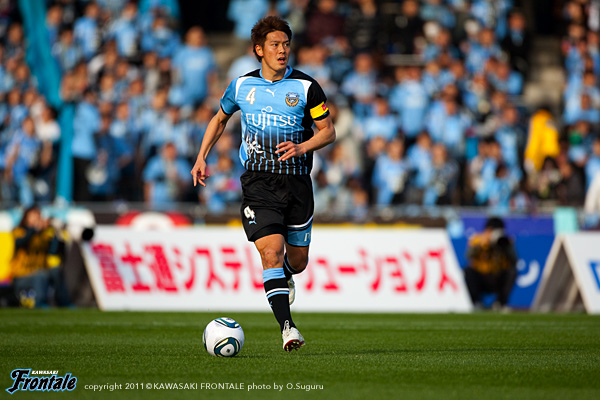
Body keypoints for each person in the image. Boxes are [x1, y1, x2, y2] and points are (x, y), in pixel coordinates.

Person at [191, 16, 336, 352]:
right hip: (258, 183)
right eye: (274, 45)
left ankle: (286, 275)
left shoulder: (307, 87)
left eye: (286, 44)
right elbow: (220, 118)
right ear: (259, 50)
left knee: (297, 262)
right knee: (271, 252)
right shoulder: (241, 86)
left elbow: (328, 131)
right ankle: (288, 328)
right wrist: (202, 156)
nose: (282, 50)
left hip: (297, 183)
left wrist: (302, 147)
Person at [464, 217, 517, 310]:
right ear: (487, 230)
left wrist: (506, 247)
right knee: (467, 271)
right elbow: (468, 255)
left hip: (497, 277)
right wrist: (481, 245)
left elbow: (514, 261)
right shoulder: (478, 239)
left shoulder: (505, 241)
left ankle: (500, 303)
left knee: (512, 271)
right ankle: (477, 302)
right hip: (481, 277)